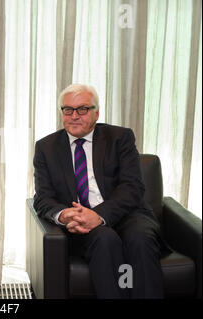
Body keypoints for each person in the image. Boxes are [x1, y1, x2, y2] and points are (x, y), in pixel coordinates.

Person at [33, 84, 163, 298]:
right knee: (105, 240)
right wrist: (64, 215)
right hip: (82, 224)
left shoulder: (120, 138)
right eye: (68, 110)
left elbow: (133, 187)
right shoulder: (46, 148)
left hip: (128, 214)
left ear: (97, 113)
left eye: (82, 109)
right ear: (61, 113)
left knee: (140, 239)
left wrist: (99, 215)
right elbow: (43, 198)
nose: (74, 116)